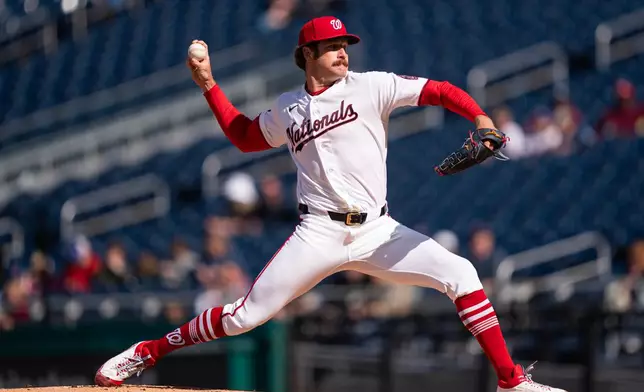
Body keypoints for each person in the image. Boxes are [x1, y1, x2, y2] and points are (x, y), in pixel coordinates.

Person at [95, 16, 565, 392]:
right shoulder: (288, 107)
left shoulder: (372, 86)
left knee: (461, 273)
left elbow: (439, 90)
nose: (343, 52)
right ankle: (148, 351)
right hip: (317, 233)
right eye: (332, 46)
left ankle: (511, 380)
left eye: (346, 45)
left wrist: (480, 118)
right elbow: (243, 136)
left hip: (377, 231)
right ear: (307, 55)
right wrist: (208, 85)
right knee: (242, 318)